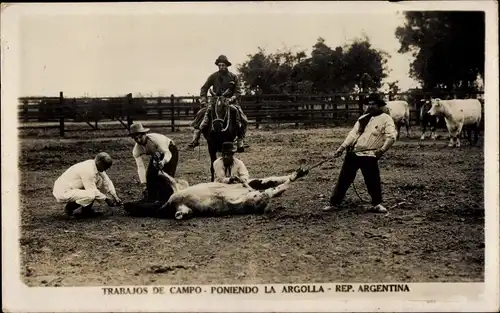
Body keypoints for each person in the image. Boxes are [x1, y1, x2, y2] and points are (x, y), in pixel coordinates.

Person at [322, 93, 398, 214]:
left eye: (374, 104)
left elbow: (391, 137)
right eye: (369, 104)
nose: (371, 106)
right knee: (344, 179)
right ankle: (334, 203)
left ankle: (376, 204)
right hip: (353, 153)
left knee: (372, 180)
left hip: (370, 155)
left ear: (380, 106)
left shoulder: (386, 119)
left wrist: (382, 150)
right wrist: (341, 148)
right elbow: (353, 134)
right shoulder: (363, 118)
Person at [187, 55, 248, 150]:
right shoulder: (213, 76)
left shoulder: (233, 77)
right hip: (215, 101)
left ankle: (240, 139)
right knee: (202, 113)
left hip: (229, 101)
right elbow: (204, 88)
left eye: (223, 65)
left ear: (227, 65)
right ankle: (196, 138)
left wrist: (233, 98)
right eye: (219, 65)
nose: (221, 67)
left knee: (241, 116)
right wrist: (204, 100)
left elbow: (238, 91)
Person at [52, 152, 122, 217]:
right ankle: (70, 209)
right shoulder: (88, 170)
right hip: (64, 191)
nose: (106, 169)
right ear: (99, 162)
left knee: (100, 181)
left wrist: (115, 196)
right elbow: (92, 190)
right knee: (91, 195)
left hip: (74, 187)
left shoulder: (95, 165)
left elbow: (107, 181)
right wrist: (106, 199)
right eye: (106, 167)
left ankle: (86, 211)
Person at [129, 122, 179, 202]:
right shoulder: (136, 150)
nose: (138, 140)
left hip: (169, 149)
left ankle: (168, 199)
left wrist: (163, 162)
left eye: (140, 137)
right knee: (150, 175)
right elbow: (140, 167)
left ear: (145, 134)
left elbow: (167, 153)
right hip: (156, 153)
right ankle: (152, 198)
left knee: (165, 176)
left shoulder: (155, 140)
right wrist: (144, 184)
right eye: (136, 139)